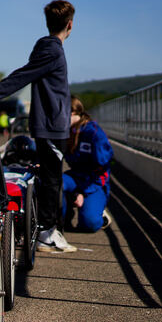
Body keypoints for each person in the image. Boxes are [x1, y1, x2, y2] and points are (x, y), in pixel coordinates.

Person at [0, 0, 77, 253]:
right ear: (70, 25)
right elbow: (24, 74)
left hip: (52, 124)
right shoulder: (52, 49)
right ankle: (46, 232)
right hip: (52, 126)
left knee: (51, 179)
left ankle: (50, 229)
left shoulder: (49, 47)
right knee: (53, 181)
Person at [62, 96, 114, 233]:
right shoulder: (66, 131)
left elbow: (103, 168)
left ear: (72, 112)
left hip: (94, 181)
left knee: (90, 224)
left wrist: (82, 192)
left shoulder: (93, 133)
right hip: (75, 176)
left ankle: (99, 213)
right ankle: (62, 218)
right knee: (55, 184)